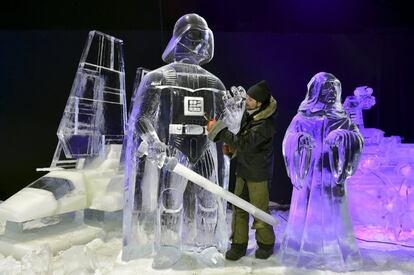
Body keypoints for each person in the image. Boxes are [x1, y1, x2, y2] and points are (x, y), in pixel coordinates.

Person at [279, 72, 364, 271]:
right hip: (309, 177)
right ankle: (303, 250)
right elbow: (288, 140)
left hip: (331, 179)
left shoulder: (341, 118)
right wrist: (300, 140)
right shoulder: (301, 117)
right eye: (326, 88)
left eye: (334, 88)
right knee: (305, 213)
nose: (332, 93)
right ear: (316, 91)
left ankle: (339, 252)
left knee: (335, 213)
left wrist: (343, 136)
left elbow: (357, 138)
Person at [207, 80, 277, 260]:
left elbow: (245, 144)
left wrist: (220, 131)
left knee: (259, 211)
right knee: (238, 208)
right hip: (243, 170)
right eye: (247, 97)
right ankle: (238, 245)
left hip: (258, 174)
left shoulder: (265, 125)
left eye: (251, 99)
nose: (247, 101)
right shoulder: (248, 115)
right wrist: (230, 143)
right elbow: (239, 137)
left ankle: (266, 244)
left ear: (260, 103)